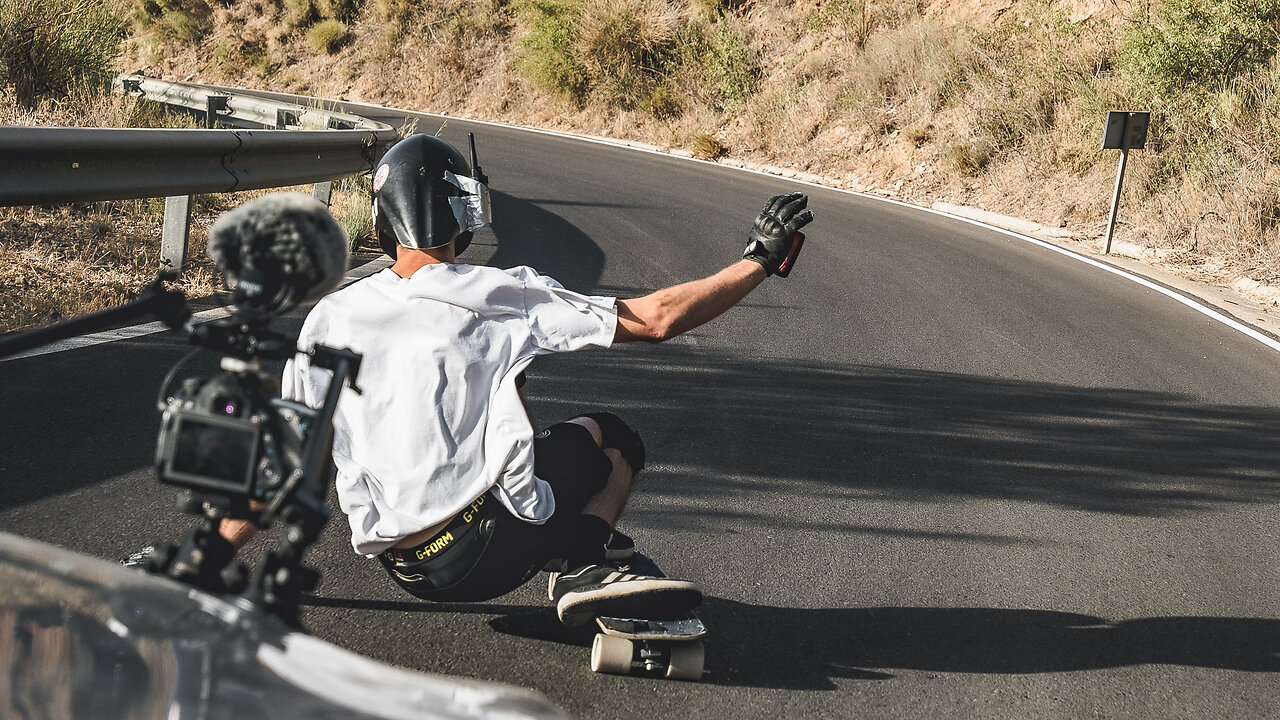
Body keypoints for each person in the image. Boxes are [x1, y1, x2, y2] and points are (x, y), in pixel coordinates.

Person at [136, 133, 815, 626]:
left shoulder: (330, 320)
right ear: (459, 212)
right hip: (491, 548)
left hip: (407, 569)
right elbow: (656, 318)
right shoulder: (500, 291)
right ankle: (584, 561)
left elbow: (291, 468)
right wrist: (758, 260)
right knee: (612, 436)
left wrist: (202, 562)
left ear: (383, 218)